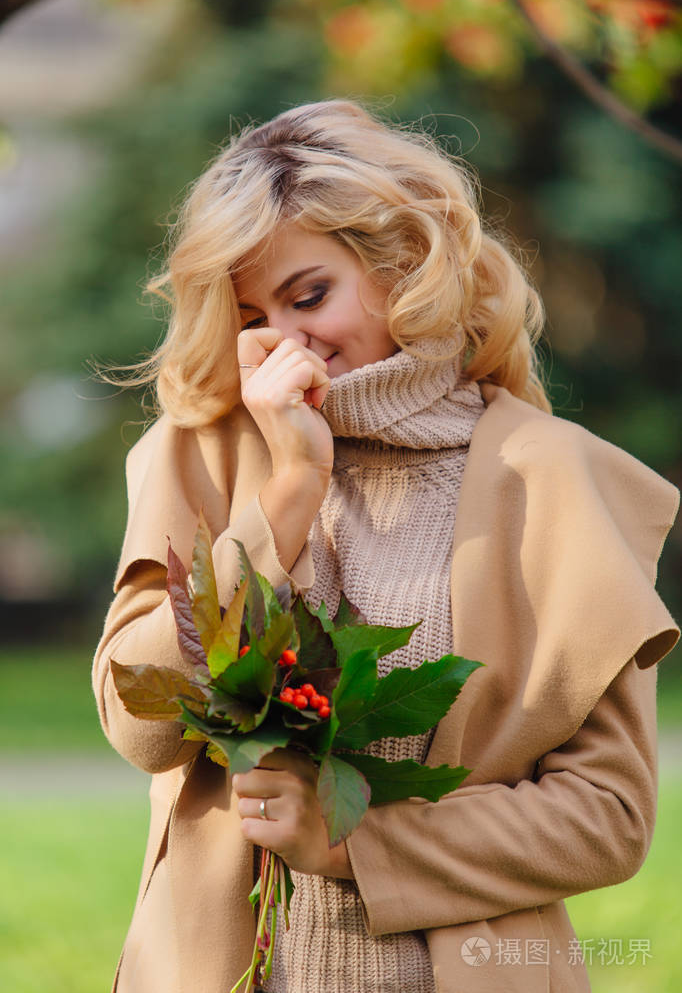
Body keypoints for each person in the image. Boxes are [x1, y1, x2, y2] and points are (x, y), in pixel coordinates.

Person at [92, 100, 680, 993]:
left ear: (407, 261)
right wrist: (283, 504)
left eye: (310, 294)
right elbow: (143, 726)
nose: (283, 344)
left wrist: (355, 840)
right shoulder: (202, 451)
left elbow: (609, 818)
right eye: (251, 312)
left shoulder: (552, 476)